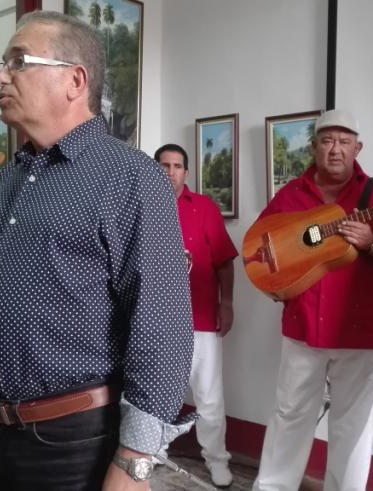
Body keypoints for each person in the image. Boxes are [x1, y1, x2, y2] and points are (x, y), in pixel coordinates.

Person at [0, 11, 193, 490]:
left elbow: (161, 330)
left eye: (18, 61)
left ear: (75, 81)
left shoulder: (130, 179)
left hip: (77, 442)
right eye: (1, 64)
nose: (1, 75)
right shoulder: (1, 184)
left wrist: (134, 463)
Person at [252, 109, 373, 491]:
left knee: (352, 426)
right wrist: (275, 283)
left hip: (362, 333)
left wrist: (372, 242)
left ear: (357, 148)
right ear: (314, 147)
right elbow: (260, 247)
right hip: (303, 329)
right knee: (289, 416)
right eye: (327, 140)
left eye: (345, 142)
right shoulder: (292, 194)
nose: (335, 149)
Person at [155, 143, 238, 487]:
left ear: (186, 173)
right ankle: (153, 451)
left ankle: (216, 460)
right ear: (154, 169)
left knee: (209, 395)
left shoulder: (204, 208)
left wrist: (227, 302)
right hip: (155, 321)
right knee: (156, 391)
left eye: (177, 166)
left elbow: (223, 260)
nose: (171, 171)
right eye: (164, 165)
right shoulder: (140, 206)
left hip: (201, 320)